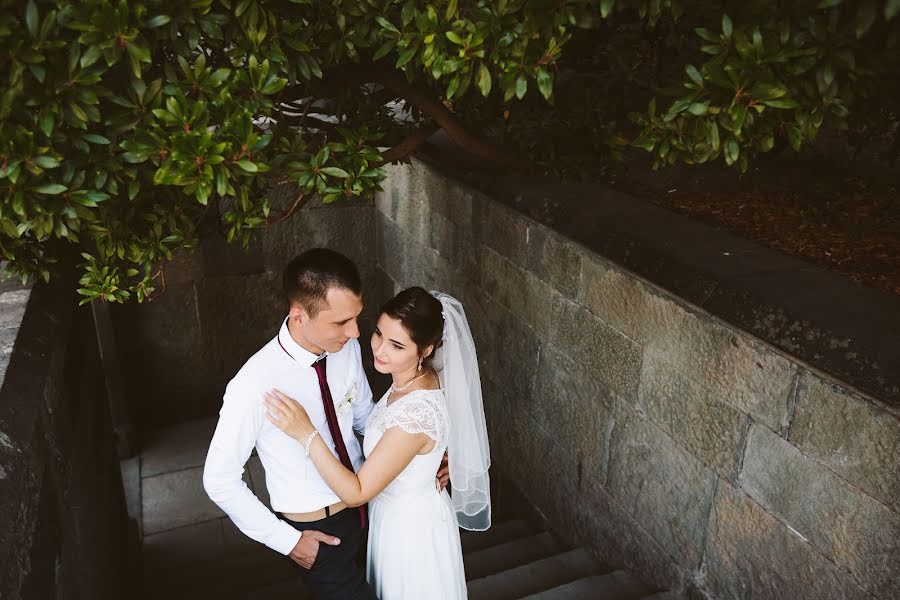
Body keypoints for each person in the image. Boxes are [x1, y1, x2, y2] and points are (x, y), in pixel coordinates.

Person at [205, 249, 451, 600]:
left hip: (373, 510)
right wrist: (287, 541)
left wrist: (425, 456)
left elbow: (368, 418)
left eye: (356, 318)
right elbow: (219, 480)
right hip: (318, 534)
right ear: (299, 316)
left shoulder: (345, 347)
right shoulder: (253, 384)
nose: (355, 333)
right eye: (340, 322)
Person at [264, 286, 492, 600]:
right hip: (394, 518)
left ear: (425, 350)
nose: (380, 350)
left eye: (397, 345)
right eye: (378, 334)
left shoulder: (415, 414)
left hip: (410, 533)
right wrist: (437, 452)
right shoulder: (415, 379)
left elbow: (356, 493)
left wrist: (306, 434)